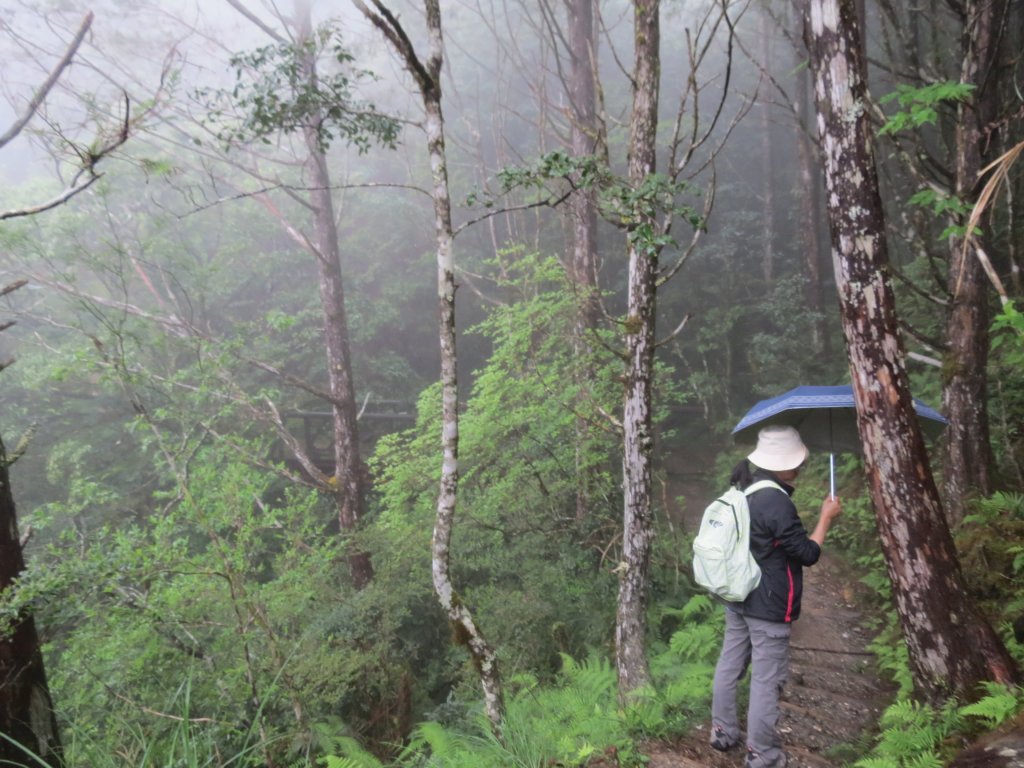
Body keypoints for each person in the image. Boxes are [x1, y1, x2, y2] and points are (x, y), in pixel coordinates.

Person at [709, 425, 842, 768]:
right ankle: (762, 754)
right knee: (767, 682)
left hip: (737, 597)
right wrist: (825, 519)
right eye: (798, 463)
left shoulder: (747, 489)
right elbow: (807, 553)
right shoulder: (776, 501)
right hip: (768, 607)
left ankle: (722, 732)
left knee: (730, 665)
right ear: (784, 465)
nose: (800, 469)